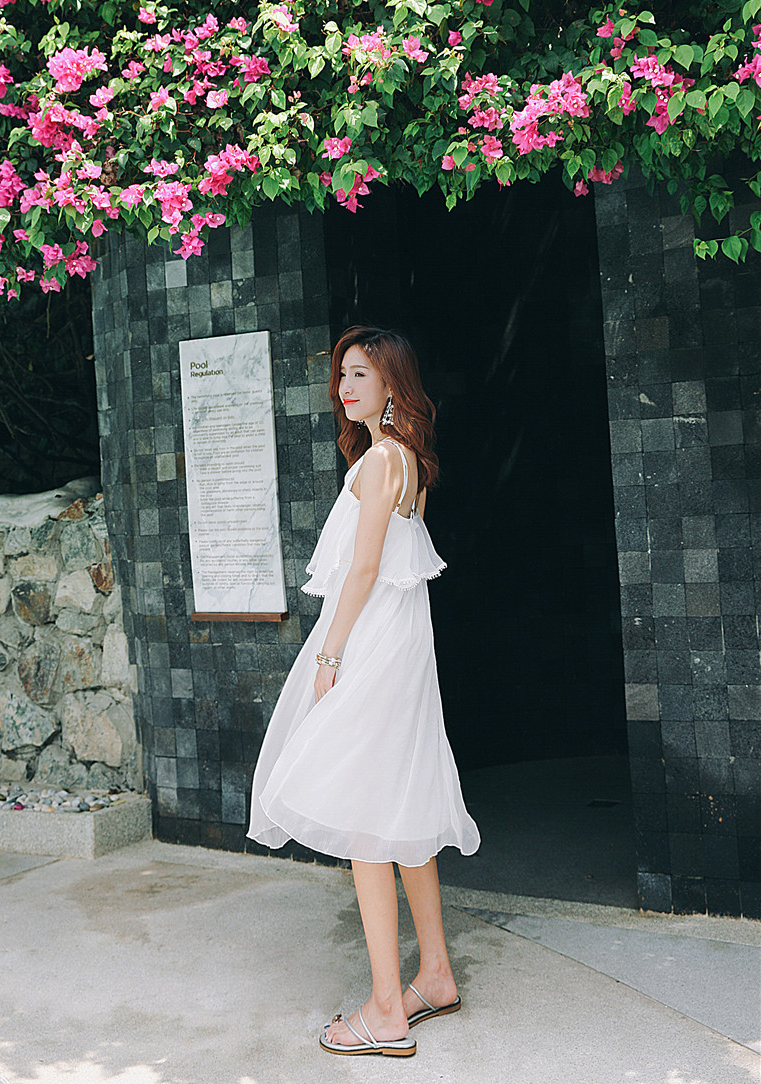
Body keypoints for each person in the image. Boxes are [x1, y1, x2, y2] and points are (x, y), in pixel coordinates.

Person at [247, 325, 480, 1058]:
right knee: (397, 803)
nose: (345, 386)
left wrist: (331, 653)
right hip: (397, 644)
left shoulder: (381, 461)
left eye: (360, 373)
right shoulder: (404, 459)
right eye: (342, 374)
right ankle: (434, 975)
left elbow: (366, 568)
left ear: (390, 385)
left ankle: (386, 1011)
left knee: (367, 817)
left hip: (372, 645)